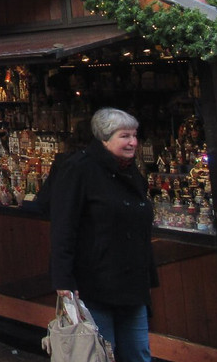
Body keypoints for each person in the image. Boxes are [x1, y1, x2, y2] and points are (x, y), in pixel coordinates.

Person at [50, 108, 157, 362]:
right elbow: (64, 226)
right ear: (105, 139)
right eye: (124, 136)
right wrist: (63, 279)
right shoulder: (79, 169)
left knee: (139, 353)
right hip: (96, 282)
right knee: (99, 353)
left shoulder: (132, 172)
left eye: (134, 135)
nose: (132, 142)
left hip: (132, 283)